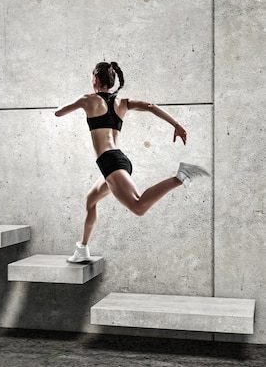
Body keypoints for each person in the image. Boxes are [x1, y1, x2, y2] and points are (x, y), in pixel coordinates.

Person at [54, 61, 210, 263]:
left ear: (95, 79)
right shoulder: (122, 102)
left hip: (111, 162)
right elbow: (150, 106)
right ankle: (82, 249)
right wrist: (176, 124)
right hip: (118, 161)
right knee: (91, 200)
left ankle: (181, 177)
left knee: (138, 207)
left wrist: (62, 106)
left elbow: (59, 112)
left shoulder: (88, 100)